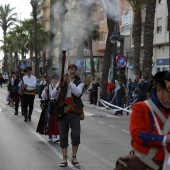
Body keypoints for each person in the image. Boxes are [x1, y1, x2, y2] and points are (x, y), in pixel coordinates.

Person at [130, 71, 170, 169]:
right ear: (159, 90)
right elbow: (137, 134)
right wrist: (164, 139)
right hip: (146, 164)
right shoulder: (141, 108)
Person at [54, 64, 84, 167]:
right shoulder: (62, 80)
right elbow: (54, 95)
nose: (73, 70)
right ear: (68, 70)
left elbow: (77, 93)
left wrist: (69, 82)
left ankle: (74, 157)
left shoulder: (79, 83)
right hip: (62, 111)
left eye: (75, 69)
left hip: (74, 111)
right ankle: (64, 158)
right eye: (71, 69)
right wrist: (58, 86)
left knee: (76, 134)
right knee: (63, 135)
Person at [36, 74, 60, 143]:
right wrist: (45, 90)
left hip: (57, 104)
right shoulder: (48, 87)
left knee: (56, 120)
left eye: (56, 80)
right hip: (49, 104)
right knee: (48, 120)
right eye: (53, 80)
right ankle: (49, 135)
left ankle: (55, 136)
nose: (55, 81)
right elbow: (43, 96)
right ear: (51, 80)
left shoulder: (59, 87)